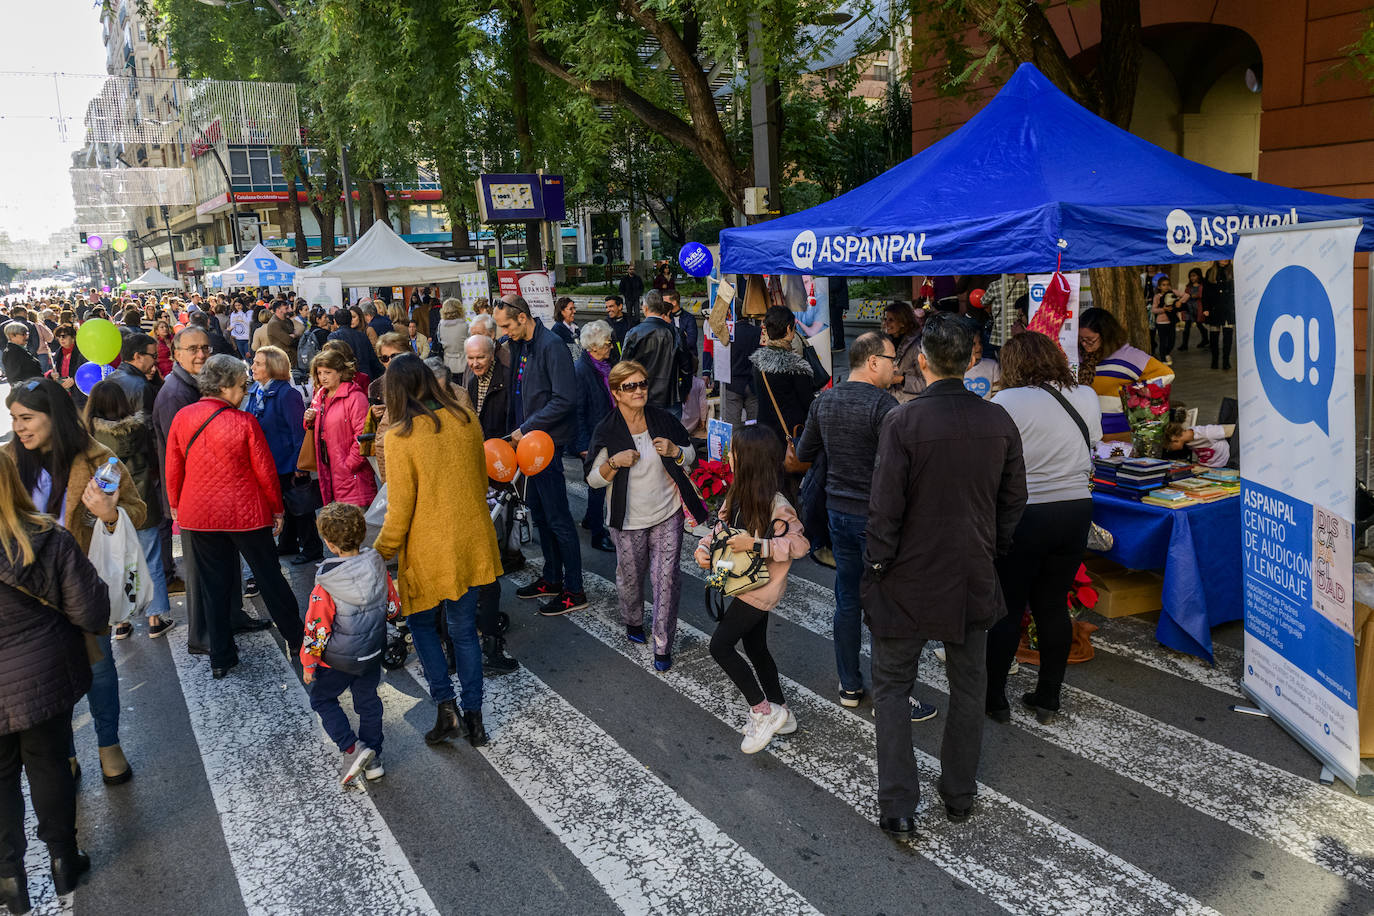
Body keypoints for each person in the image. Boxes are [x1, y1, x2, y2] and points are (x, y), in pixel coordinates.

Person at [862, 313, 1027, 836]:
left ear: (923, 362)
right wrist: (992, 547)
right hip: (970, 569)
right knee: (968, 685)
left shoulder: (904, 422)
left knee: (890, 685)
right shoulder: (998, 420)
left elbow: (884, 508)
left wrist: (878, 562)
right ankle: (958, 793)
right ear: (972, 360)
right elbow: (1013, 500)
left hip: (908, 572)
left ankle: (899, 804)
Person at [7, 378, 147, 786]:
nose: (20, 428)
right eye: (14, 419)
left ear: (54, 417)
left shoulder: (98, 458)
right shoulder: (8, 461)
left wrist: (109, 513)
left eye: (28, 418)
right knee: (48, 681)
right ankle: (64, 753)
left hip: (84, 584)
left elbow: (137, 512)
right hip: (27, 593)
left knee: (99, 670)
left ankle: (108, 745)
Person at [795, 332, 937, 720]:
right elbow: (902, 467)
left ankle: (849, 684)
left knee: (847, 598)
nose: (896, 366)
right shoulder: (884, 405)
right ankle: (892, 694)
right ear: (873, 361)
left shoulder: (824, 400)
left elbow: (804, 453)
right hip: (877, 516)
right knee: (886, 603)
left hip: (837, 512)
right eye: (892, 359)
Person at [374, 353, 503, 747]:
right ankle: (476, 719)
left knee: (421, 626)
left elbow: (400, 509)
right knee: (464, 631)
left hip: (429, 548)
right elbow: (481, 482)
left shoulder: (399, 437)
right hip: (472, 540)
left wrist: (377, 553)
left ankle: (447, 709)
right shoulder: (466, 420)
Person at [0, 449, 109, 911]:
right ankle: (64, 859)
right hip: (44, 671)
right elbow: (89, 611)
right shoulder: (46, 536)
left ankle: (9, 879)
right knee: (48, 764)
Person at [985, 331, 1099, 725]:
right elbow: (1093, 444)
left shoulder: (1005, 401)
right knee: (1052, 605)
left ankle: (996, 698)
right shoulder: (1086, 395)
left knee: (1009, 608)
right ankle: (1048, 696)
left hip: (1024, 512)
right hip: (1075, 511)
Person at [165, 354, 303, 679]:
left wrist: (175, 503)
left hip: (199, 513)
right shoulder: (243, 422)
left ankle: (221, 656)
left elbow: (173, 466)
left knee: (215, 585)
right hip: (245, 513)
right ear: (225, 386)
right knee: (270, 578)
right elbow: (265, 473)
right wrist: (277, 510)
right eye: (241, 386)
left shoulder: (183, 417)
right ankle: (297, 639)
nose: (244, 392)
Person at [693, 425, 809, 754]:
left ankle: (762, 710)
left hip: (759, 590)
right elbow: (721, 531)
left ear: (750, 459)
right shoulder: (736, 493)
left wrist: (757, 545)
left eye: (733, 452)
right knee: (755, 647)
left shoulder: (777, 504)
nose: (728, 456)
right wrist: (704, 550)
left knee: (720, 646)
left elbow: (799, 545)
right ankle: (780, 711)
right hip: (735, 579)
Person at [586, 359, 706, 668]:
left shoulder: (662, 419)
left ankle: (663, 645)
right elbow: (592, 478)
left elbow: (690, 454)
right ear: (617, 393)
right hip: (627, 521)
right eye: (631, 386)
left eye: (642, 384)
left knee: (666, 580)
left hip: (668, 514)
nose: (639, 391)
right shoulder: (608, 429)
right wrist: (614, 463)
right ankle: (633, 619)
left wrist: (676, 451)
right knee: (631, 577)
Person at [493, 295, 587, 615]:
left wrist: (528, 426)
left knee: (559, 519)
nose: (503, 332)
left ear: (522, 317)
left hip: (545, 446)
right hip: (525, 445)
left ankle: (574, 589)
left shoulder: (551, 345)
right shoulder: (521, 345)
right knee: (541, 515)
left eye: (506, 325)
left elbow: (565, 399)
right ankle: (551, 577)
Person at [301, 502, 391, 786]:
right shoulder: (378, 568)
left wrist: (309, 663)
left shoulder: (326, 584)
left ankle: (353, 749)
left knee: (322, 698)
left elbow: (316, 629)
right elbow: (392, 607)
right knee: (368, 701)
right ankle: (374, 757)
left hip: (338, 660)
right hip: (373, 650)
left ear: (328, 543)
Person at [84, 381, 175, 639]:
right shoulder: (138, 429)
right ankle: (156, 618)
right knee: (151, 558)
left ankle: (120, 622)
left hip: (105, 507)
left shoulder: (87, 435)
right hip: (142, 500)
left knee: (114, 561)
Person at [461, 333, 521, 675]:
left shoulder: (505, 376)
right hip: (480, 462)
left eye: (479, 358)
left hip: (500, 456)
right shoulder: (469, 380)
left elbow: (509, 417)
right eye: (470, 359)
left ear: (491, 356)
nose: (473, 364)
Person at [246, 346, 323, 564]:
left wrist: (301, 465)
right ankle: (288, 543)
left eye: (258, 363)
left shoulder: (287, 394)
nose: (253, 367)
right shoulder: (256, 392)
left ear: (272, 367)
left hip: (288, 462)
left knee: (300, 507)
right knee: (284, 505)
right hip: (268, 462)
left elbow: (298, 432)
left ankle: (312, 546)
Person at [1076, 307, 1173, 441]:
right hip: (1086, 434)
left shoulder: (1130, 356)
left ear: (1106, 335)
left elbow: (1167, 374)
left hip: (1119, 434)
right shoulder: (1078, 356)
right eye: (1081, 339)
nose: (1085, 344)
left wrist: (1132, 392)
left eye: (1090, 340)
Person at [305, 348, 378, 508]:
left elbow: (364, 436)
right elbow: (320, 428)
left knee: (354, 527)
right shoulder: (321, 395)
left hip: (352, 476)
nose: (322, 377)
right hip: (330, 471)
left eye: (327, 372)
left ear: (340, 372)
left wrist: (348, 465)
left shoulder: (355, 397)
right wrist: (309, 420)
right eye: (319, 372)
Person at [750, 306, 827, 451]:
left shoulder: (757, 362)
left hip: (765, 430)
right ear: (788, 329)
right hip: (791, 433)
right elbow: (808, 403)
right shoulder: (795, 366)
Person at [574, 322, 617, 553]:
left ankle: (591, 520)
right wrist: (582, 445)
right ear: (595, 346)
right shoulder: (582, 370)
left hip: (605, 432)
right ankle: (598, 535)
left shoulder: (603, 365)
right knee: (598, 484)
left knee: (597, 483)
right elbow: (578, 410)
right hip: (592, 437)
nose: (611, 346)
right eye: (608, 343)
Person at [620, 290, 686, 416]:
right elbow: (686, 366)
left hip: (642, 395)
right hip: (670, 395)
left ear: (645, 308)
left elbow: (623, 367)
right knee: (672, 433)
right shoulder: (674, 332)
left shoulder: (634, 333)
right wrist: (685, 389)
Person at [721, 316, 761, 429]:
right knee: (754, 425)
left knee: (733, 426)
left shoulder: (728, 333)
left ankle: (735, 446)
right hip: (753, 383)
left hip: (732, 383)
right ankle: (752, 446)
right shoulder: (757, 332)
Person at [882, 301, 925, 403]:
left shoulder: (917, 346)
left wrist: (901, 380)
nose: (886, 323)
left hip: (911, 405)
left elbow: (928, 383)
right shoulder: (885, 342)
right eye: (885, 319)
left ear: (902, 322)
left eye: (891, 320)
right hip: (890, 401)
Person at [108, 333, 161, 414]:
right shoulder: (141, 386)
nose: (156, 360)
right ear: (138, 357)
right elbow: (145, 423)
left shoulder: (110, 378)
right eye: (154, 356)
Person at [1164, 409, 1235, 468]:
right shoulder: (1187, 439)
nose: (1170, 450)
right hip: (1205, 466)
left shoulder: (1207, 433)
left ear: (1174, 439)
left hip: (1223, 466)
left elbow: (1235, 429)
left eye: (1169, 448)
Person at [329, 307, 383, 379]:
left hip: (346, 377)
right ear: (350, 320)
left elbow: (332, 359)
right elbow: (373, 358)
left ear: (335, 321)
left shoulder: (334, 336)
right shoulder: (362, 335)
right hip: (365, 376)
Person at [1203, 260, 1235, 371]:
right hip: (1214, 309)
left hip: (1228, 309)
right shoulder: (1210, 272)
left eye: (1226, 257)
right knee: (1214, 336)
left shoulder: (1234, 271)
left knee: (1228, 336)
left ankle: (1226, 360)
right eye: (1221, 257)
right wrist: (1206, 308)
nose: (1224, 259)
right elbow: (1205, 292)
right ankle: (1214, 360)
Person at [1151, 275, 1187, 367]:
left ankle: (1167, 353)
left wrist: (1180, 302)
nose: (1166, 287)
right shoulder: (1157, 296)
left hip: (1171, 321)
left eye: (1167, 284)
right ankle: (1163, 359)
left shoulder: (1173, 292)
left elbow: (1186, 295)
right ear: (1159, 287)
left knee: (1172, 341)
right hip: (1161, 322)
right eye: (1163, 285)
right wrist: (1163, 309)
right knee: (1163, 341)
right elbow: (1153, 310)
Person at [437, 298, 470, 378]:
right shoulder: (465, 326)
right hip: (464, 363)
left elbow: (439, 342)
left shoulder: (440, 326)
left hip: (447, 364)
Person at [264, 298, 300, 367]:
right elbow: (288, 340)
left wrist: (294, 335)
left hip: (292, 357)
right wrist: (293, 335)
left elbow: (296, 334)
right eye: (286, 308)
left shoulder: (287, 320)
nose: (289, 310)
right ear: (278, 310)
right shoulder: (274, 324)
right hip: (283, 360)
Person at [1179, 268, 1206, 352]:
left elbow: (1202, 295)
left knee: (1199, 325)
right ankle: (1184, 344)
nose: (1192, 278)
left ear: (1199, 276)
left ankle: (1205, 339)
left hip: (1197, 309)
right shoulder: (1189, 286)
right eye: (1191, 276)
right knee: (1187, 327)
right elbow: (1185, 295)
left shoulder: (1202, 286)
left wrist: (1196, 296)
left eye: (1194, 276)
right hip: (1188, 309)